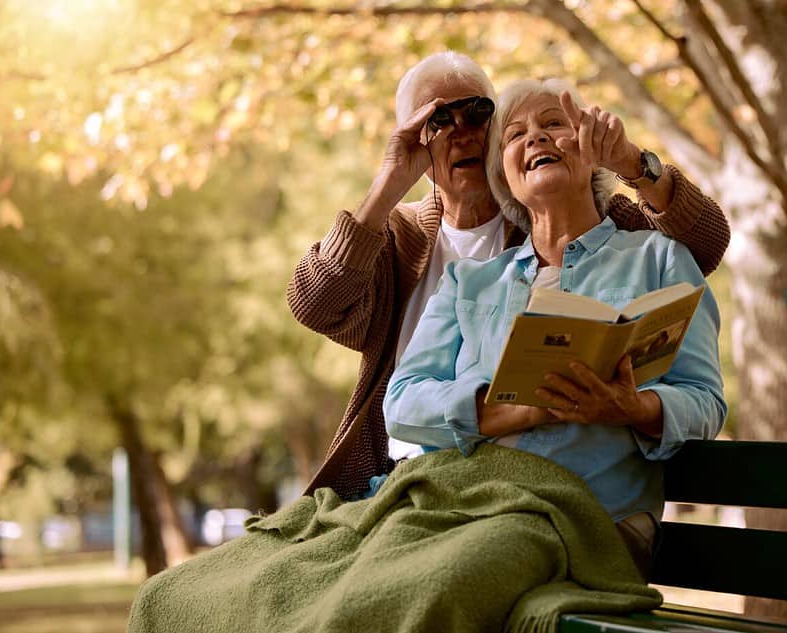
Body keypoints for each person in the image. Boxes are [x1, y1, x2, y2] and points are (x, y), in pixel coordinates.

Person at [288, 51, 730, 501]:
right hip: (401, 474)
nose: (463, 131)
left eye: (479, 112)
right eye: (439, 119)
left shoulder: (581, 214)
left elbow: (703, 245)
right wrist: (388, 183)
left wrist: (633, 163)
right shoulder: (406, 242)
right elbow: (316, 305)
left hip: (533, 492)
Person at [384, 78, 727, 575]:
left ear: (591, 153)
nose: (536, 139)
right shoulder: (469, 283)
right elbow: (403, 402)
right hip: (468, 505)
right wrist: (508, 410)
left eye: (553, 125)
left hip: (592, 518)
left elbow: (705, 401)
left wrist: (635, 408)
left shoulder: (659, 259)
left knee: (443, 574)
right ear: (503, 174)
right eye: (515, 135)